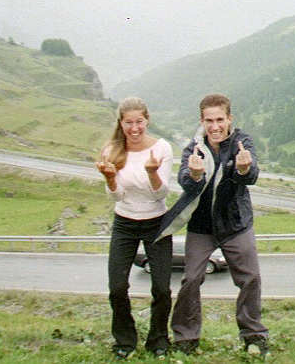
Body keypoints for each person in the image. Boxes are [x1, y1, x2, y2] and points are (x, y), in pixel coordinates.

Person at [155, 93, 269, 357]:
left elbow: (250, 176)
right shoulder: (193, 148)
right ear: (202, 121)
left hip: (236, 224)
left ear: (230, 119)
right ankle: (186, 338)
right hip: (202, 226)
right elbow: (186, 181)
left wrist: (243, 169)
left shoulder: (243, 142)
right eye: (209, 120)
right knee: (191, 279)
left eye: (220, 119)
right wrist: (195, 174)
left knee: (250, 278)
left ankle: (254, 336)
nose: (215, 126)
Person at [96, 96, 174, 360]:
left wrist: (152, 172)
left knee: (162, 289)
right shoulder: (112, 150)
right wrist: (109, 178)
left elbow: (160, 194)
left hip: (157, 223)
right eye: (128, 122)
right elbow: (116, 197)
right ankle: (124, 341)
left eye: (139, 121)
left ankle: (159, 340)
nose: (134, 128)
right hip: (125, 224)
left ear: (147, 120)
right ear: (121, 122)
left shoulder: (162, 148)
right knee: (117, 287)